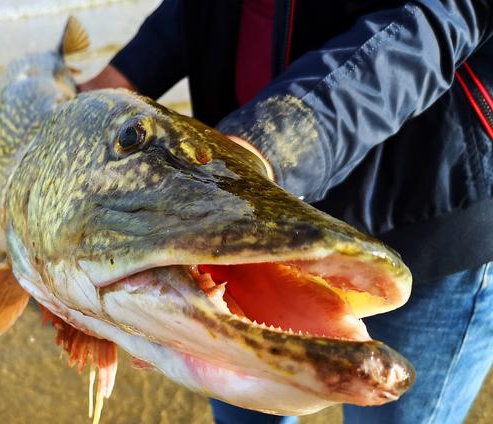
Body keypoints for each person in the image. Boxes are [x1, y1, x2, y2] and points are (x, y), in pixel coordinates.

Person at [78, 1, 493, 423]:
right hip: (240, 216)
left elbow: (444, 12)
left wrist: (268, 145)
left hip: (432, 208)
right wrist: (124, 74)